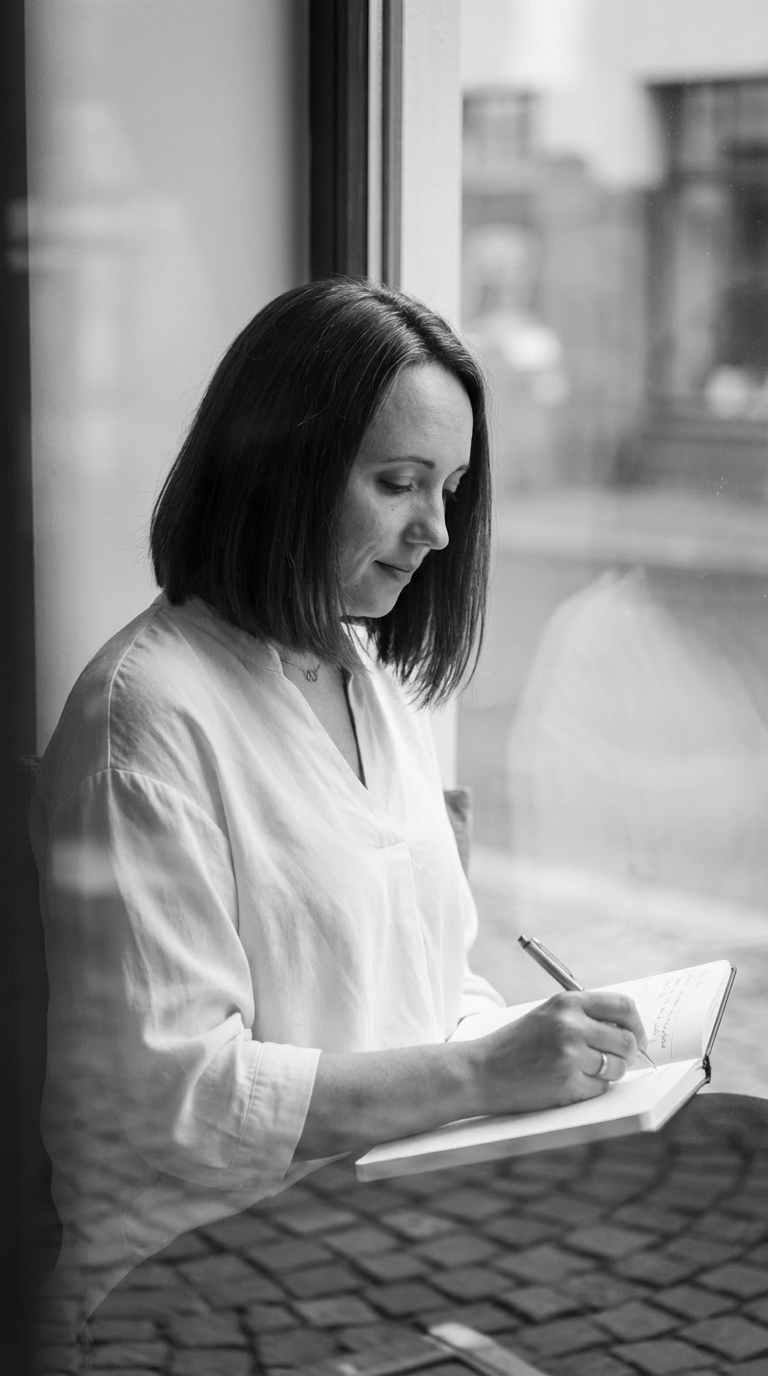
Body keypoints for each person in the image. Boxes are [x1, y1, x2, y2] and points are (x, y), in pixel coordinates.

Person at [30, 278, 647, 1332]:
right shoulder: (148, 716)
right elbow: (176, 1094)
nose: (438, 530)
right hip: (199, 1294)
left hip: (372, 1250)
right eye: (401, 483)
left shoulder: (364, 673)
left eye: (451, 487)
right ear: (283, 470)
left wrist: (540, 1050)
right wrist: (481, 1067)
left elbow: (421, 978)